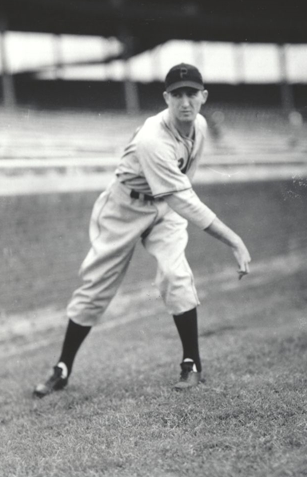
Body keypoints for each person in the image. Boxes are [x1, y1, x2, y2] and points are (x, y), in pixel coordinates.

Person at [33, 63, 251, 397]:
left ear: (203, 96)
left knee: (175, 275)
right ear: (166, 98)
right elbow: (183, 199)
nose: (185, 102)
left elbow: (184, 182)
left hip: (165, 205)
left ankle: (191, 363)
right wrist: (233, 239)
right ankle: (61, 369)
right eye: (177, 94)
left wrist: (177, 203)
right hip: (125, 205)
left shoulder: (201, 126)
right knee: (97, 287)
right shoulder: (153, 138)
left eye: (191, 93)